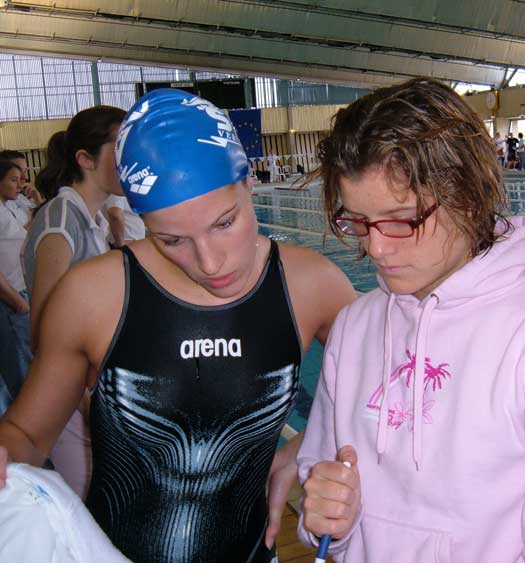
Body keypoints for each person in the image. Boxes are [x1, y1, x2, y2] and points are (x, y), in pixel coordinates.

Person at [0, 88, 356, 563]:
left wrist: (308, 445)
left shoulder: (311, 284)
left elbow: (395, 384)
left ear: (248, 182)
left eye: (225, 223)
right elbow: (27, 435)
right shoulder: (93, 296)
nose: (210, 262)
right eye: (171, 239)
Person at [296, 77, 525, 561]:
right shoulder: (354, 327)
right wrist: (325, 516)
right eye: (359, 222)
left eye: (401, 219)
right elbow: (320, 486)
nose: (376, 248)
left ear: (468, 198)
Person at [21, 106, 126, 499]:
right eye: (120, 147)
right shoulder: (61, 220)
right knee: (93, 514)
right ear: (86, 159)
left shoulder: (89, 221)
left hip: (90, 396)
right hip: (72, 403)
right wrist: (83, 398)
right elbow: (42, 330)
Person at [0, 161, 32, 410]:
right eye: (12, 179)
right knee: (19, 363)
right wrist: (16, 301)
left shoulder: (8, 207)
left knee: (27, 357)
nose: (19, 184)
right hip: (10, 296)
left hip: (20, 290)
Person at [0, 150, 44, 225]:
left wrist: (37, 199)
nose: (25, 177)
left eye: (25, 171)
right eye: (19, 172)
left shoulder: (20, 197)